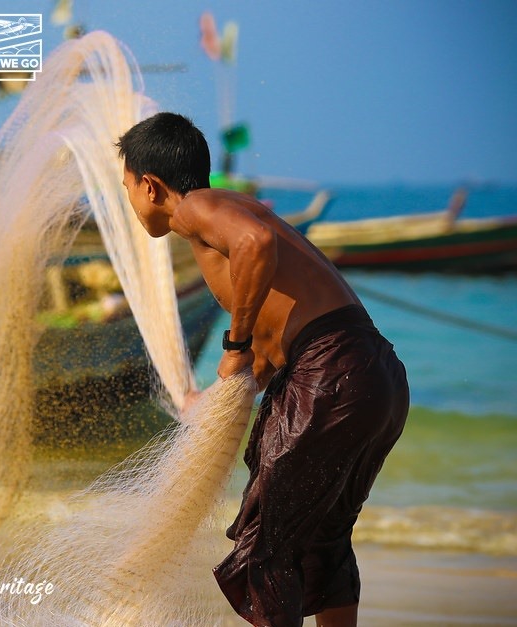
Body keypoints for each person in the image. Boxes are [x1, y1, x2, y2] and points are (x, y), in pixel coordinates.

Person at [116, 112, 409, 627]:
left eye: (127, 189)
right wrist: (225, 393)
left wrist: (234, 342)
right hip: (375, 374)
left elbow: (258, 246)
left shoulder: (197, 208)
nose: (130, 203)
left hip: (330, 370)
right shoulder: (230, 207)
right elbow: (277, 347)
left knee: (268, 548)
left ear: (150, 185)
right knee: (322, 540)